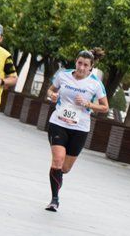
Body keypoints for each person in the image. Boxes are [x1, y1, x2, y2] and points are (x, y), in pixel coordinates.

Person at [44, 49, 109, 212]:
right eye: (79, 63)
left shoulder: (95, 84)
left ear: (91, 67)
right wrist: (52, 95)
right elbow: (50, 89)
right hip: (58, 122)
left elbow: (105, 107)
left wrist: (88, 104)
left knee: (64, 168)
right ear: (76, 62)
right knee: (57, 160)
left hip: (80, 128)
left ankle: (57, 177)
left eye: (85, 65)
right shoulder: (63, 75)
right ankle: (54, 199)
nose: (81, 67)